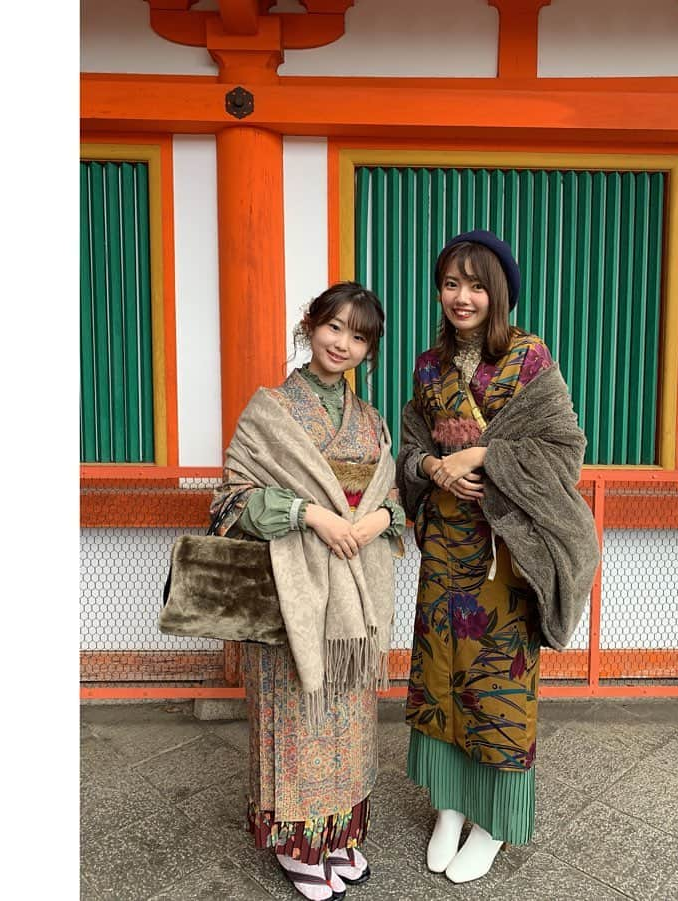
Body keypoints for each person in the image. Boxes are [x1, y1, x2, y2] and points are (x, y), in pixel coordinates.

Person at [396, 230, 600, 883]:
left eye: (476, 283)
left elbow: (565, 449)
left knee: (498, 686)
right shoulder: (427, 366)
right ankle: (450, 803)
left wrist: (482, 455)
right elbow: (406, 447)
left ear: (499, 292)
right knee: (440, 678)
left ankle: (492, 822)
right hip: (445, 552)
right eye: (451, 282)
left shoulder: (526, 358)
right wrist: (432, 465)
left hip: (505, 556)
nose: (462, 296)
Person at [209, 282, 406, 901]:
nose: (342, 343)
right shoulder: (271, 409)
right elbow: (229, 501)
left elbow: (392, 499)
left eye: (358, 336)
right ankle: (297, 846)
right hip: (291, 589)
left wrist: (377, 520)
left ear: (369, 351)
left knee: (347, 716)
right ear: (310, 325)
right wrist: (312, 515)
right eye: (334, 327)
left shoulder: (370, 420)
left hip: (353, 594)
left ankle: (339, 834)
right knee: (295, 712)